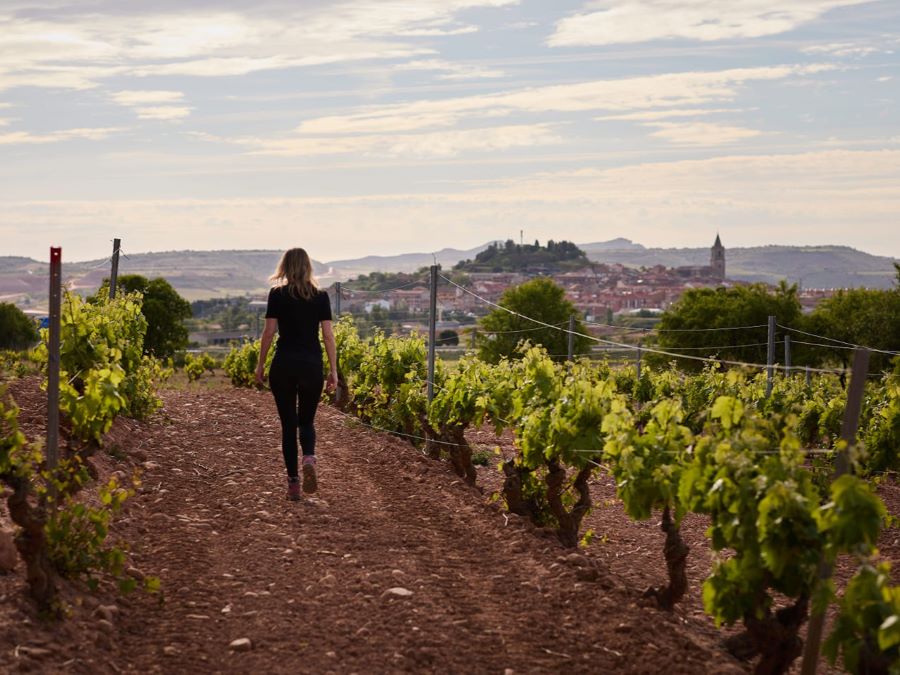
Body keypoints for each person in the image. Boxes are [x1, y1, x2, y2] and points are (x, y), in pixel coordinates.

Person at [255, 248, 338, 501]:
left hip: (284, 366)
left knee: (288, 426)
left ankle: (293, 483)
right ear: (308, 267)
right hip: (311, 365)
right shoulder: (321, 296)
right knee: (307, 421)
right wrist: (333, 370)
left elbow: (269, 332)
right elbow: (327, 335)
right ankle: (309, 457)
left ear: (285, 267)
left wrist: (260, 365)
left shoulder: (277, 295)